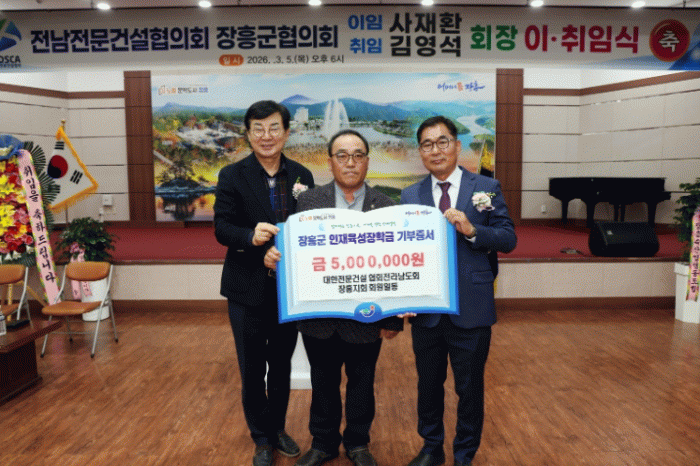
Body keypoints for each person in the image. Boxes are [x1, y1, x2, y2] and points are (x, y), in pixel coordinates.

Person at [264, 129, 403, 466]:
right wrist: (276, 260)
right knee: (322, 382)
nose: (350, 162)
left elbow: (394, 265)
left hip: (367, 315)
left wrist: (393, 320)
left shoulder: (386, 206)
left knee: (362, 383)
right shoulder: (308, 202)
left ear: (367, 161)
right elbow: (298, 255)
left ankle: (358, 443)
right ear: (330, 163)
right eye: (342, 155)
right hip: (319, 317)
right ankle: (323, 443)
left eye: (357, 155)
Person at [400, 116, 517, 466]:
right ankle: (431, 448)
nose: (435, 150)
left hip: (472, 306)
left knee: (469, 388)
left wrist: (472, 230)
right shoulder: (410, 194)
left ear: (456, 145)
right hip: (427, 309)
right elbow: (403, 251)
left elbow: (508, 238)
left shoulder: (486, 187)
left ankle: (464, 454)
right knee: (428, 385)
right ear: (420, 151)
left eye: (442, 142)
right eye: (427, 144)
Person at [214, 100, 315, 466]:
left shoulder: (302, 175)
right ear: (248, 134)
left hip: (288, 291)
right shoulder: (232, 175)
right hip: (246, 289)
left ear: (286, 133)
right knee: (253, 368)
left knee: (282, 366)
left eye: (274, 128)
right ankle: (260, 438)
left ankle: (277, 428)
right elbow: (222, 228)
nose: (266, 136)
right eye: (258, 129)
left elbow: (308, 229)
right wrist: (250, 238)